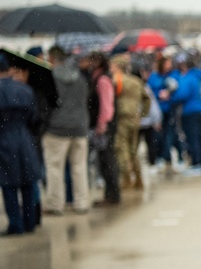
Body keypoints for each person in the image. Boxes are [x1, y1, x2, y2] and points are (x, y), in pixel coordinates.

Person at [41, 46, 90, 214]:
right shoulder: (80, 78)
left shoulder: (51, 77)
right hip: (80, 126)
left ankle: (56, 204)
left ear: (53, 59)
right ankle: (81, 203)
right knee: (79, 167)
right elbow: (85, 99)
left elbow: (47, 104)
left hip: (57, 128)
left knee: (55, 168)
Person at [0, 54, 44, 235]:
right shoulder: (24, 89)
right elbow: (35, 117)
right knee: (27, 182)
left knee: (8, 184)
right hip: (24, 137)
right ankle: (30, 222)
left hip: (3, 138)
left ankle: (15, 225)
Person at [82, 52, 120, 205]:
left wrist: (102, 124)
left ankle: (113, 194)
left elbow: (106, 105)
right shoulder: (98, 77)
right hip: (104, 124)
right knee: (105, 160)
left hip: (105, 125)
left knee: (107, 160)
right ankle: (110, 193)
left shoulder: (102, 79)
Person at [109, 54, 150, 190]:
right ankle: (138, 178)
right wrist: (142, 113)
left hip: (121, 119)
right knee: (134, 149)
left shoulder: (115, 81)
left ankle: (126, 179)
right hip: (134, 119)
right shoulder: (136, 81)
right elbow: (146, 98)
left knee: (121, 148)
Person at [171, 52, 201, 176]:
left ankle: (196, 162)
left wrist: (170, 95)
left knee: (192, 137)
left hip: (191, 111)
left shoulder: (187, 77)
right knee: (200, 136)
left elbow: (182, 94)